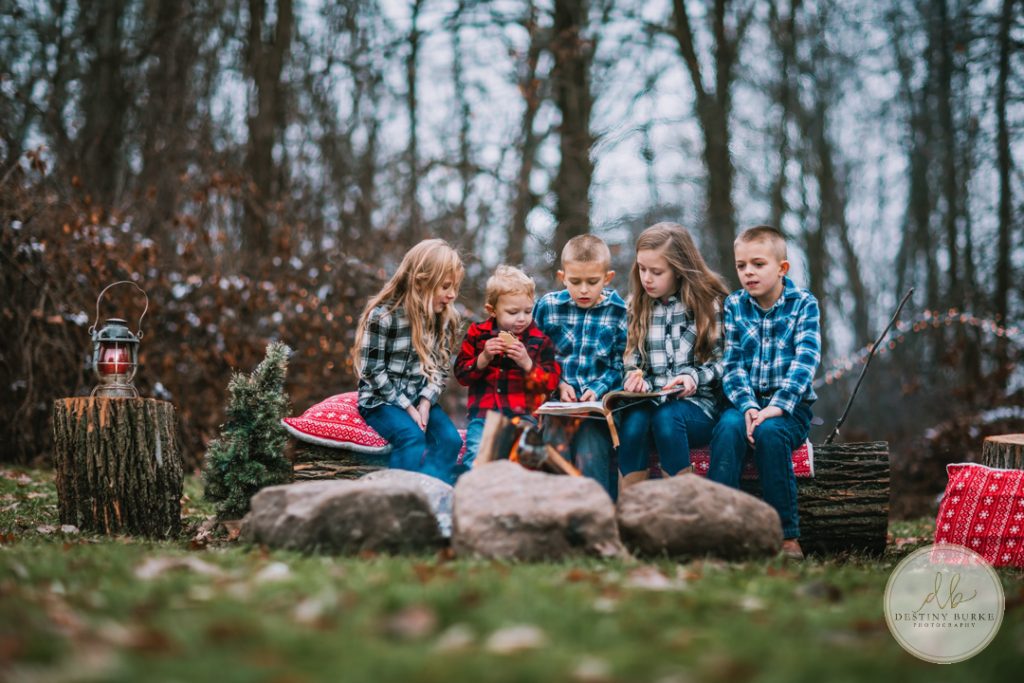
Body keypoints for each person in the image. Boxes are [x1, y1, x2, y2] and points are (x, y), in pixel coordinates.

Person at [708, 225, 821, 560]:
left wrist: (777, 406)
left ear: (782, 268)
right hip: (744, 403)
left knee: (772, 434)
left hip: (790, 407)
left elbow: (806, 360)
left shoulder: (803, 304)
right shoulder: (734, 305)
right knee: (727, 430)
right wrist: (746, 406)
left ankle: (786, 535)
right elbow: (732, 363)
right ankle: (718, 531)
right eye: (742, 266)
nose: (748, 273)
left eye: (758, 264)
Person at [617, 223, 729, 487]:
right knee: (633, 425)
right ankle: (630, 511)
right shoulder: (635, 306)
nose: (647, 278)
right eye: (642, 269)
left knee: (666, 418)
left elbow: (723, 362)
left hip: (696, 409)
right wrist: (634, 376)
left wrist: (693, 378)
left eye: (656, 272)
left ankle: (680, 509)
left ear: (679, 270)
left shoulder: (708, 305)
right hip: (648, 401)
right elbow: (630, 358)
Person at [352, 238, 465, 484]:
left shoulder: (443, 318)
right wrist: (407, 407)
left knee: (450, 440)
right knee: (411, 438)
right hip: (381, 399)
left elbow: (441, 368)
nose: (452, 295)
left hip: (418, 396)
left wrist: (425, 402)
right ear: (421, 281)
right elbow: (372, 371)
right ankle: (397, 499)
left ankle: (427, 492)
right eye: (446, 286)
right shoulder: (383, 316)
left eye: (455, 287)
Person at [534, 234, 628, 499]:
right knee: (553, 441)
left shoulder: (618, 312)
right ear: (562, 276)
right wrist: (558, 383)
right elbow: (538, 356)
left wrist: (597, 389)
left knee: (592, 446)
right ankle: (555, 515)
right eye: (575, 282)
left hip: (596, 408)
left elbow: (619, 365)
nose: (583, 290)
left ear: (607, 278)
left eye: (592, 282)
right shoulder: (548, 307)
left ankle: (594, 517)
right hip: (557, 406)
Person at [454, 265, 560, 476]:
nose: (521, 318)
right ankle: (470, 501)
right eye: (513, 312)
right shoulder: (478, 334)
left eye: (528, 311)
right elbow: (461, 375)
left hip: (523, 417)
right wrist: (483, 358)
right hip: (483, 416)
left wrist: (527, 363)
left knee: (523, 464)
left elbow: (550, 383)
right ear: (492, 310)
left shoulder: (539, 340)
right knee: (476, 457)